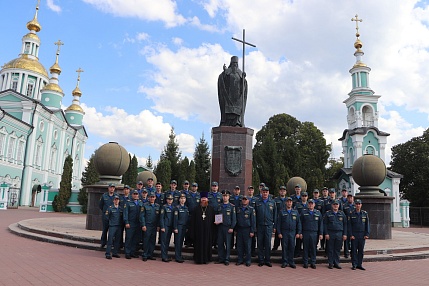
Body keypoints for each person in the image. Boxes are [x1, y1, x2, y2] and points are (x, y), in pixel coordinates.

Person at [217, 55, 248, 127]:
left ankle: (237, 122)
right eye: (233, 63)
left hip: (237, 97)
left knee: (238, 110)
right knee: (227, 109)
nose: (235, 65)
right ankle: (226, 122)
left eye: (236, 64)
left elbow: (244, 85)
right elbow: (222, 80)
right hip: (228, 95)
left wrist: (243, 79)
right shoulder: (227, 72)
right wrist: (224, 73)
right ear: (231, 64)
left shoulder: (240, 73)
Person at [254, 186, 277, 267]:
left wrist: (275, 226)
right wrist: (255, 225)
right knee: (260, 243)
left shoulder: (272, 202)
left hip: (269, 225)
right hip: (260, 225)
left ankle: (267, 260)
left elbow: (275, 215)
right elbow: (255, 215)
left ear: (268, 193)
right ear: (261, 193)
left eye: (266, 192)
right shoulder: (257, 202)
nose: (265, 193)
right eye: (263, 192)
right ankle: (261, 260)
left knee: (267, 243)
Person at [277, 197, 301, 268]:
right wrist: (279, 233)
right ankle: (284, 261)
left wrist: (298, 232)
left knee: (292, 247)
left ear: (292, 203)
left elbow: (298, 223)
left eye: (290, 202)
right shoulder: (282, 212)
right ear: (285, 203)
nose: (289, 203)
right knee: (284, 247)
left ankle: (291, 261)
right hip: (284, 232)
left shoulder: (295, 212)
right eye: (288, 202)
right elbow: (279, 223)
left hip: (292, 232)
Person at [190, 197, 215, 264]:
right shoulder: (196, 209)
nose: (204, 201)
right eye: (202, 199)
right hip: (198, 232)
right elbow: (192, 221)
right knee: (198, 245)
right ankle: (198, 259)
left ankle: (207, 259)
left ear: (207, 200)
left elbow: (214, 220)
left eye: (205, 199)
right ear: (200, 200)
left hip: (208, 231)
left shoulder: (211, 209)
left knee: (207, 244)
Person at [215, 190, 237, 266]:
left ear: (229, 197)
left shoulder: (232, 207)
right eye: (224, 196)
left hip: (228, 228)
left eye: (226, 196)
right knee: (220, 243)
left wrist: (232, 227)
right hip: (220, 227)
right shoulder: (219, 206)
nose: (225, 197)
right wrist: (216, 222)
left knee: (227, 244)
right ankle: (221, 258)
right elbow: (217, 216)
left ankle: (227, 259)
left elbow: (234, 219)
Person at [324, 200, 347, 269]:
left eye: (336, 204)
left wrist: (345, 234)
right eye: (334, 204)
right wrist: (326, 233)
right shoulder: (328, 214)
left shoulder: (342, 214)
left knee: (337, 249)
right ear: (332, 205)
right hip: (330, 233)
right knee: (330, 249)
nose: (335, 206)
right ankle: (330, 263)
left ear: (339, 205)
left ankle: (336, 263)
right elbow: (325, 224)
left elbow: (345, 224)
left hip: (339, 233)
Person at [300, 199, 323, 269]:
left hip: (314, 233)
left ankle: (313, 262)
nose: (310, 205)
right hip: (306, 232)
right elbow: (300, 223)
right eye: (309, 203)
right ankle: (305, 262)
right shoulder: (303, 212)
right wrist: (300, 232)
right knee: (305, 248)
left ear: (314, 205)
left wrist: (321, 233)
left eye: (312, 204)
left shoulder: (318, 213)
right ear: (308, 204)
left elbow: (320, 224)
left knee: (313, 248)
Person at [348, 199, 370, 270]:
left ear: (361, 205)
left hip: (362, 234)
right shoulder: (351, 213)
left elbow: (367, 225)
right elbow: (349, 226)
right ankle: (354, 264)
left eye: (359, 204)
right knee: (353, 250)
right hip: (354, 234)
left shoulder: (364, 213)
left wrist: (367, 234)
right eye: (356, 204)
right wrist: (351, 235)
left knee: (361, 250)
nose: (358, 205)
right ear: (355, 205)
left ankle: (359, 264)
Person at [235, 196, 255, 267]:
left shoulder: (251, 209)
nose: (244, 201)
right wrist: (236, 229)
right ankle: (240, 260)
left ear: (248, 201)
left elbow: (253, 221)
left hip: (247, 229)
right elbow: (236, 220)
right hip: (240, 229)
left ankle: (248, 260)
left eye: (245, 200)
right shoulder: (238, 209)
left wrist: (252, 231)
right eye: (243, 199)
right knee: (239, 246)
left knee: (247, 246)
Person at [140, 192, 161, 261]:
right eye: (151, 197)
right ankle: (145, 254)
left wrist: (158, 226)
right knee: (146, 240)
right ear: (148, 198)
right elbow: (142, 216)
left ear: (155, 198)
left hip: (154, 226)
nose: (152, 198)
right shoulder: (145, 205)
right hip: (147, 225)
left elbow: (159, 217)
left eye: (153, 197)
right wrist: (143, 225)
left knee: (152, 241)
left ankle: (150, 254)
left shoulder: (157, 206)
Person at [123, 190, 142, 259]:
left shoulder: (140, 203)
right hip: (130, 223)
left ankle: (132, 252)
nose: (135, 195)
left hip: (138, 224)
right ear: (131, 195)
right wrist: (126, 222)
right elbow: (125, 213)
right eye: (134, 194)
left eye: (137, 194)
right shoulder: (128, 203)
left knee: (135, 239)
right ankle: (127, 253)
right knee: (129, 238)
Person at [99, 183, 118, 248]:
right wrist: (105, 212)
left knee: (112, 230)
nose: (112, 189)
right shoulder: (104, 196)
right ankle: (103, 242)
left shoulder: (116, 196)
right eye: (111, 187)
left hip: (113, 216)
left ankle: (111, 242)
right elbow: (101, 205)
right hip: (106, 215)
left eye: (113, 187)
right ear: (108, 188)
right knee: (105, 229)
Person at [105, 195, 122, 259]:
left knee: (117, 240)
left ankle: (115, 253)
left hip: (119, 226)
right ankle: (108, 253)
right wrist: (110, 223)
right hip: (112, 226)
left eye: (117, 199)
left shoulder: (120, 209)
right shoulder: (110, 208)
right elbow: (106, 217)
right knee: (110, 240)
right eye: (115, 199)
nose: (116, 201)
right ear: (113, 200)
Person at [173, 194, 189, 263]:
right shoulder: (177, 208)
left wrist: (187, 227)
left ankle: (179, 255)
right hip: (178, 226)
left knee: (181, 242)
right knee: (178, 242)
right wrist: (175, 227)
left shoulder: (186, 208)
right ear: (179, 199)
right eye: (181, 198)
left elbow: (187, 219)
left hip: (184, 227)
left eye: (184, 198)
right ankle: (177, 257)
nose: (183, 200)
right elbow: (175, 219)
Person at [185, 182, 201, 247]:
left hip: (196, 215)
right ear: (191, 187)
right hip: (189, 214)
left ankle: (195, 242)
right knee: (188, 228)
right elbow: (185, 204)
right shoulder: (188, 195)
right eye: (193, 186)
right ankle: (188, 242)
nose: (194, 188)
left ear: (197, 187)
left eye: (195, 186)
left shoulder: (199, 195)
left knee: (195, 228)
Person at [160, 194, 175, 262]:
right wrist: (162, 226)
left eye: (171, 199)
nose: (170, 200)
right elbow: (161, 218)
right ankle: (163, 256)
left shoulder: (173, 207)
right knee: (163, 242)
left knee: (167, 241)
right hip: (165, 226)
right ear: (166, 200)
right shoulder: (164, 207)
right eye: (169, 199)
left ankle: (166, 255)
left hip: (170, 226)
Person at [272, 185, 288, 251]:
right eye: (281, 191)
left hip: (286, 221)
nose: (282, 192)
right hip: (278, 220)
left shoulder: (288, 200)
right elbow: (274, 212)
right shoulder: (275, 200)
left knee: (285, 237)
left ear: (286, 192)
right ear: (279, 192)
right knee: (277, 236)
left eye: (284, 191)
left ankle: (285, 249)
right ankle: (275, 247)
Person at [208, 181, 221, 248]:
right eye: (213, 186)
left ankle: (216, 243)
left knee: (217, 229)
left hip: (218, 214)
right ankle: (210, 242)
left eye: (215, 186)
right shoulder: (208, 195)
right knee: (210, 228)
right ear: (211, 187)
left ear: (217, 187)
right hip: (210, 214)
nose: (214, 187)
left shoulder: (220, 195)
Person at [342, 194, 355, 258]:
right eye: (349, 198)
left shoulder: (356, 205)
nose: (350, 199)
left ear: (353, 198)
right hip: (347, 224)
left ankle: (353, 252)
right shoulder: (344, 206)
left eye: (351, 198)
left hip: (354, 225)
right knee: (346, 239)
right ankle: (346, 253)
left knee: (353, 238)